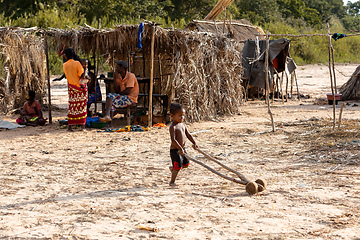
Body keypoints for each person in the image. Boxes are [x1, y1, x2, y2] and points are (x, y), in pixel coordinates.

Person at [168, 103, 198, 186]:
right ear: (172, 116)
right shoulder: (173, 127)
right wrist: (179, 148)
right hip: (175, 150)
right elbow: (173, 140)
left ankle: (173, 168)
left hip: (182, 149)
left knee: (186, 164)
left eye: (183, 115)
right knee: (178, 167)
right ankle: (172, 182)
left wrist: (194, 143)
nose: (182, 118)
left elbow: (188, 135)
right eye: (180, 116)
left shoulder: (183, 125)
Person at [63, 48, 88, 131]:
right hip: (80, 88)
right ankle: (82, 126)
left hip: (71, 89)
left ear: (66, 56)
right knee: (82, 107)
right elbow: (81, 75)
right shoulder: (77, 63)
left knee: (72, 107)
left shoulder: (64, 65)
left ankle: (70, 126)